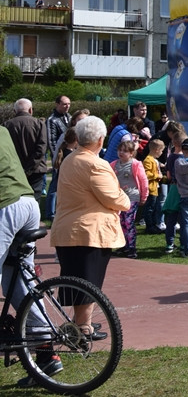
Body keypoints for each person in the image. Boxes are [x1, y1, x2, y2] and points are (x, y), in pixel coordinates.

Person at [49, 116, 131, 340]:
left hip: (68, 229)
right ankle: (83, 328)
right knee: (89, 282)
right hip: (89, 231)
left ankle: (79, 324)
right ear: (101, 139)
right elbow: (114, 198)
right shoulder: (96, 164)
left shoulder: (70, 159)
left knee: (76, 280)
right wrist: (125, 199)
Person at [1, 125, 63, 389]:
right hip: (28, 204)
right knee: (17, 282)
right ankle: (47, 354)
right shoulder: (2, 130)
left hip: (6, 206)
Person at [4, 98, 48, 207]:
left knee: (15, 201)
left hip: (14, 170)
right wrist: (29, 169)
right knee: (34, 201)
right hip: (36, 170)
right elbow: (41, 148)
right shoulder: (39, 124)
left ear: (15, 111)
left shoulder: (6, 125)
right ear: (31, 110)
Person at [110, 140, 147, 259]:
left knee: (129, 221)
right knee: (120, 222)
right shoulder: (114, 164)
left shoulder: (135, 164)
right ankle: (123, 245)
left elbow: (143, 180)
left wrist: (144, 196)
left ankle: (132, 247)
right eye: (120, 150)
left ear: (131, 153)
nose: (121, 153)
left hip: (132, 196)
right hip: (119, 198)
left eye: (125, 151)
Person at [45, 96, 71, 220]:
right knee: (55, 184)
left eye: (69, 104)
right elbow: (51, 140)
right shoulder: (52, 120)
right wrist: (57, 156)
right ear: (57, 104)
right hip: (60, 156)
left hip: (69, 154)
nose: (67, 106)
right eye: (64, 104)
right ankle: (50, 213)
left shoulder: (69, 117)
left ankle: (62, 209)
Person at [142, 139, 166, 234]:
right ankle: (149, 227)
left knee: (152, 207)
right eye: (161, 151)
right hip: (150, 188)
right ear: (156, 150)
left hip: (155, 188)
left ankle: (153, 225)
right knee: (149, 208)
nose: (161, 153)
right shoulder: (148, 160)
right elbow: (146, 174)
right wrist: (157, 176)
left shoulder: (154, 160)